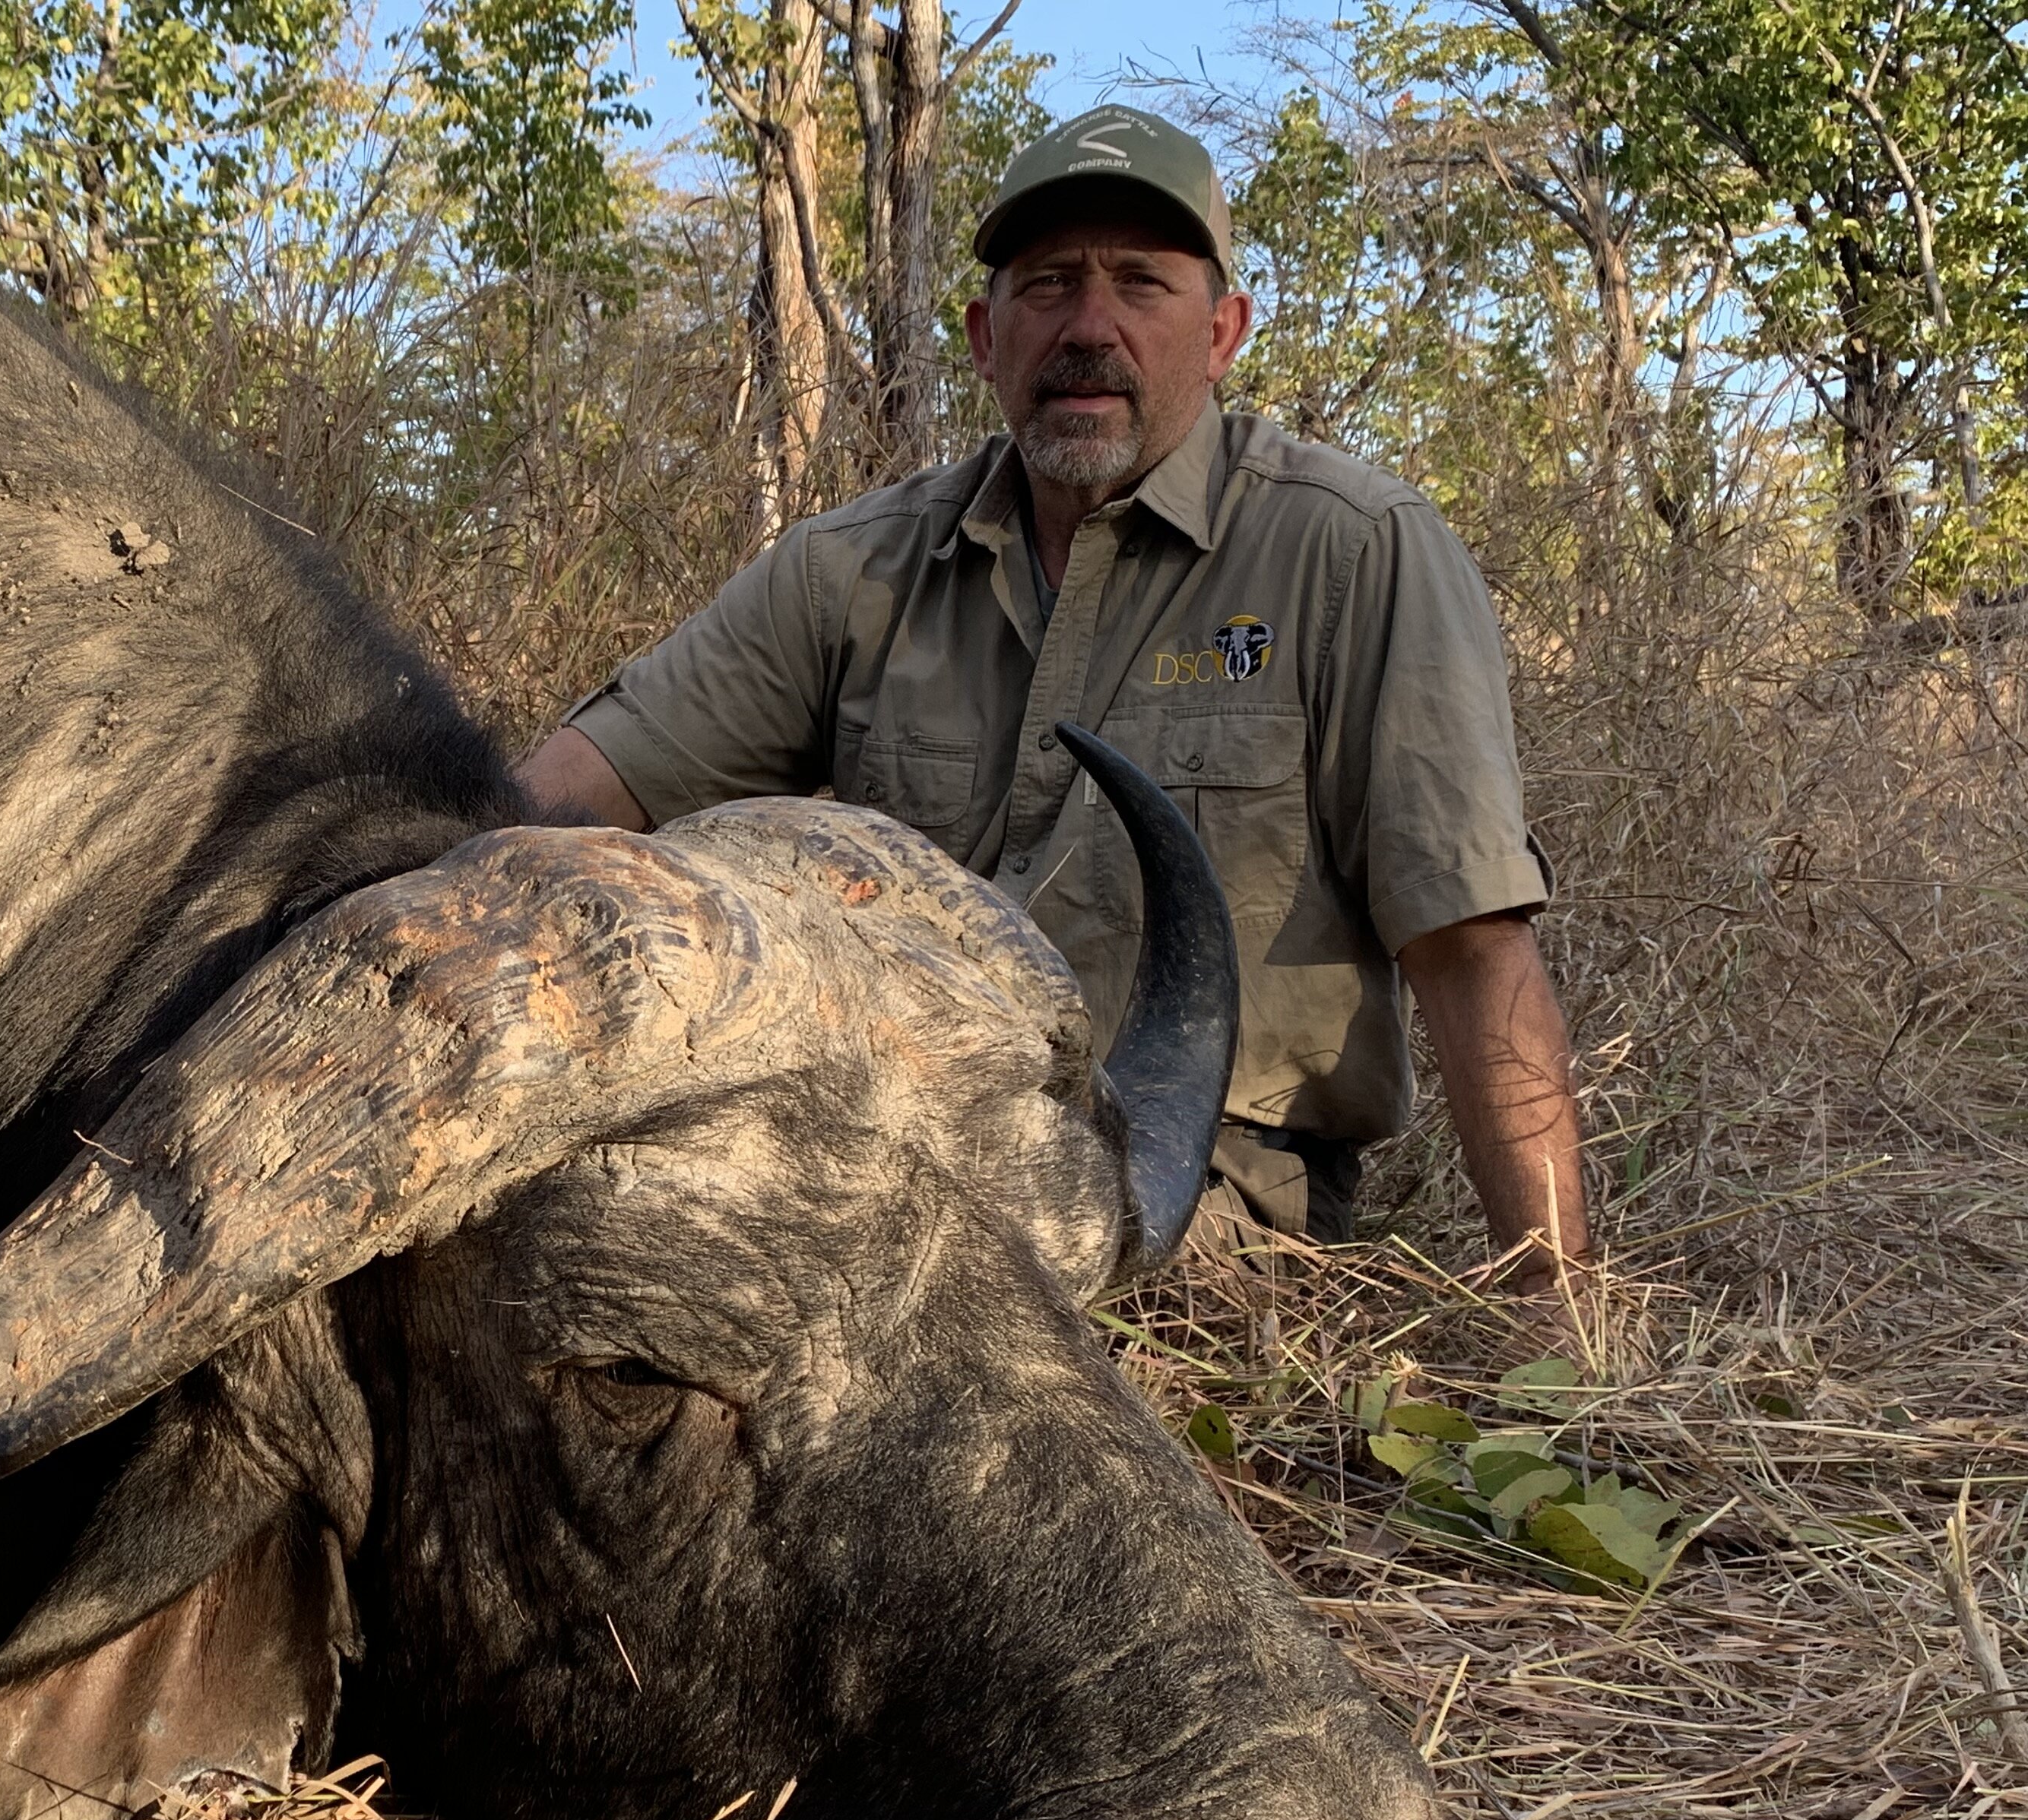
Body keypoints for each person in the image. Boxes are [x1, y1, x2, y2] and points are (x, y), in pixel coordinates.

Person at [518, 105, 1589, 1287]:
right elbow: (564, 799)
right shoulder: (851, 567)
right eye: (1048, 287)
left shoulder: (1356, 551)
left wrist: (1556, 1309)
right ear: (985, 336)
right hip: (877, 1157)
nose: (1090, 327)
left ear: (1226, 330)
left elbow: (1471, 946)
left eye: (1142, 283)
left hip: (1193, 1200)